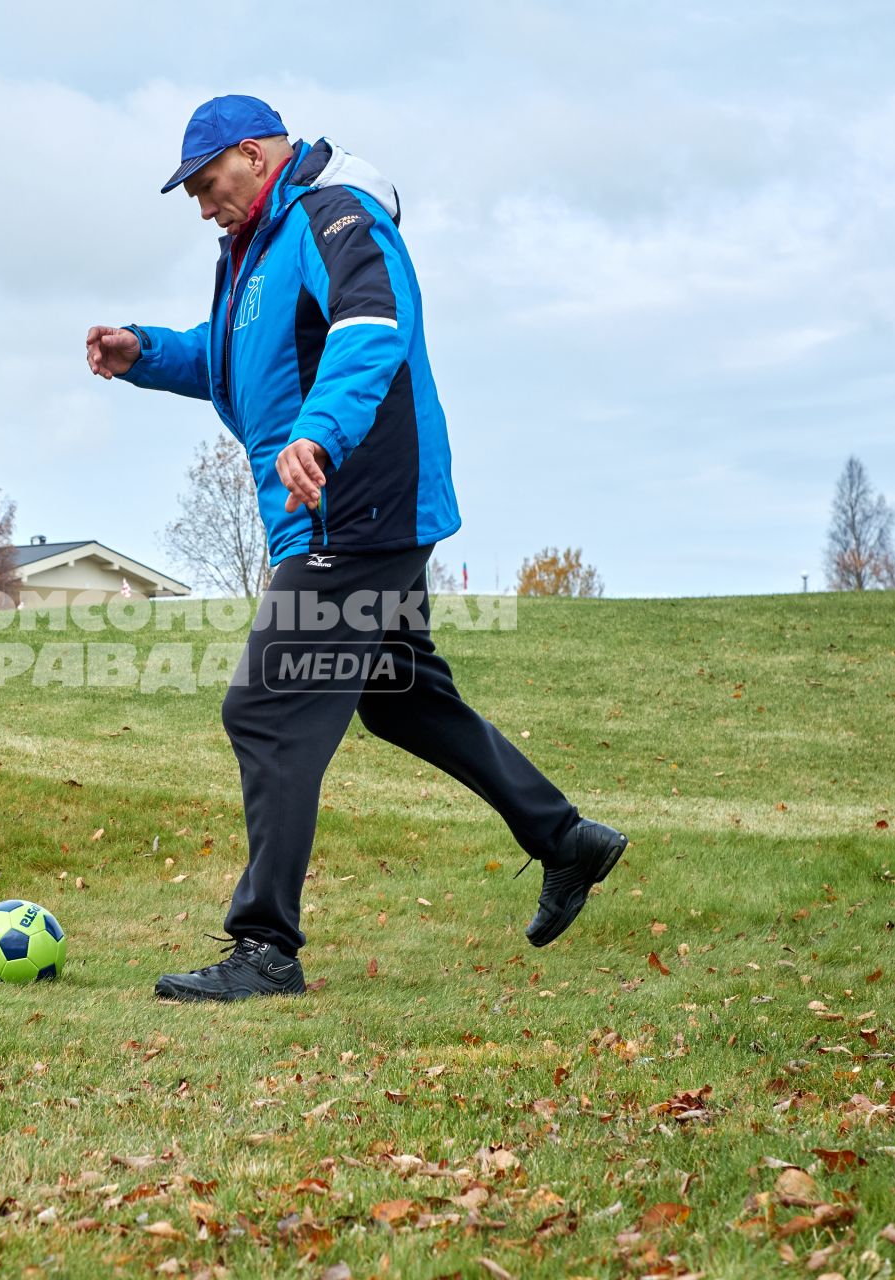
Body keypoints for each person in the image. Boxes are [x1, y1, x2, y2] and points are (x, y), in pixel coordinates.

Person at [85, 95, 629, 1002]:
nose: (202, 204)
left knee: (267, 709)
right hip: (338, 508)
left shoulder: (335, 214)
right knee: (400, 697)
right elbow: (233, 363)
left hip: (353, 502)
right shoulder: (252, 250)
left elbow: (373, 327)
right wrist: (143, 350)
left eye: (209, 184)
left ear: (256, 156)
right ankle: (566, 839)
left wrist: (322, 436)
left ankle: (266, 948)